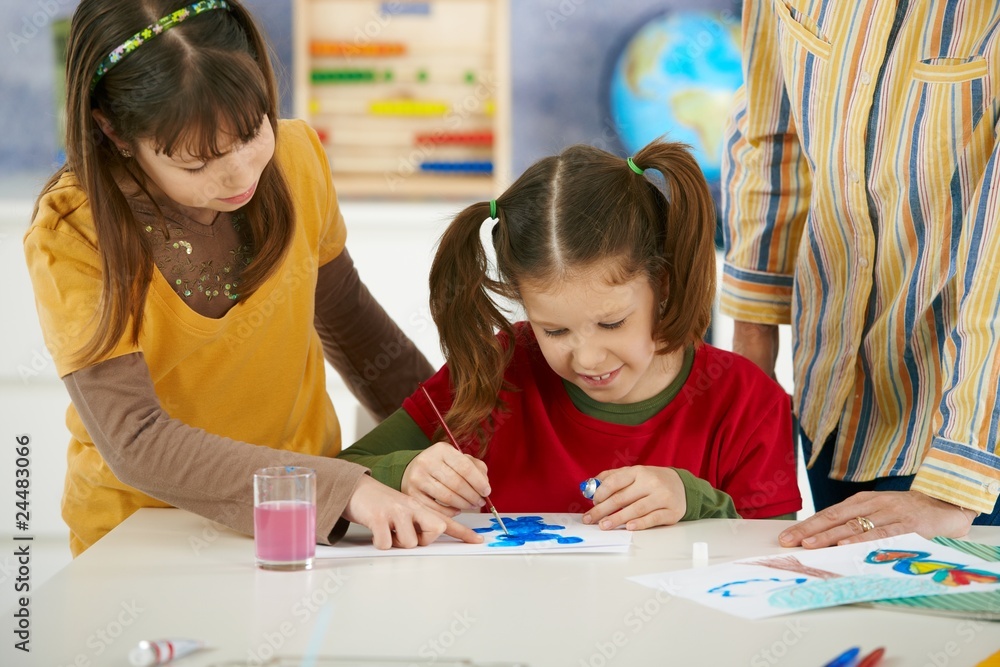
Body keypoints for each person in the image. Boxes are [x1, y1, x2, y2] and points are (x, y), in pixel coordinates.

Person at [23, 0, 481, 556]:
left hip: (308, 521)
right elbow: (136, 440)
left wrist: (470, 436)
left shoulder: (296, 158)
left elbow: (354, 327)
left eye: (252, 132)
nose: (242, 174)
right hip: (144, 536)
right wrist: (346, 489)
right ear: (115, 132)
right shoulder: (74, 233)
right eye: (197, 163)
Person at [338, 140, 802, 529]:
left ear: (662, 283)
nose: (587, 359)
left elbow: (771, 566)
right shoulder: (500, 369)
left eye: (611, 323)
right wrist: (404, 472)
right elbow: (329, 477)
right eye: (554, 330)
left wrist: (693, 500)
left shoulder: (749, 402)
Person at [721, 0, 1000, 549]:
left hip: (969, 430)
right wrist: (746, 369)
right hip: (830, 399)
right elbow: (769, 134)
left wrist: (955, 488)